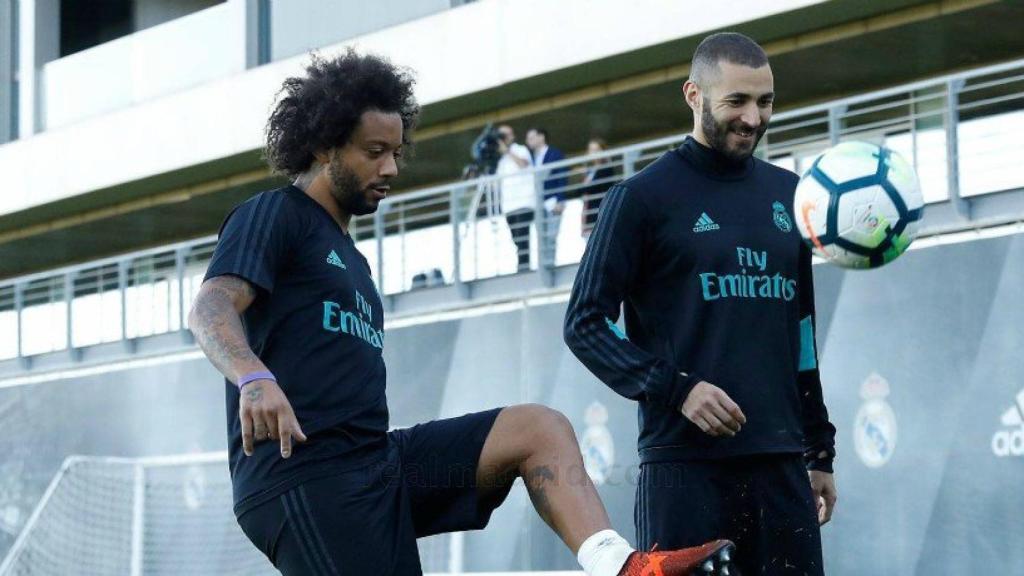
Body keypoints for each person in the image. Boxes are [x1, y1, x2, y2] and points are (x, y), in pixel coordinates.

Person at [188, 49, 735, 576]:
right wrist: (253, 377)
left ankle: (621, 565)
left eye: (397, 152)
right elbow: (210, 305)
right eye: (373, 151)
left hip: (378, 466)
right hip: (304, 476)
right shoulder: (275, 214)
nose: (391, 167)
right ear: (325, 146)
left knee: (536, 429)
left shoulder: (353, 261)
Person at [563, 32, 837, 575]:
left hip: (782, 469)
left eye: (765, 102)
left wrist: (819, 449)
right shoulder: (641, 198)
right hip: (684, 472)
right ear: (694, 95)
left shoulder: (792, 194)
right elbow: (585, 323)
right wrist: (676, 389)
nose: (754, 118)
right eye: (737, 101)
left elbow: (801, 333)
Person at [496, 125, 537, 272]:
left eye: (505, 135)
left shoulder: (520, 149)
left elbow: (523, 163)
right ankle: (522, 265)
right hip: (509, 206)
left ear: (511, 136)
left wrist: (507, 151)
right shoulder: (500, 159)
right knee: (516, 239)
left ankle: (523, 268)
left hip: (524, 202)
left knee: (522, 237)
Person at [526, 127, 569, 266]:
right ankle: (544, 265)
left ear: (541, 137)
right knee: (541, 237)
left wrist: (560, 199)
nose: (528, 142)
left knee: (551, 235)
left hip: (553, 201)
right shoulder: (531, 158)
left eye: (531, 138)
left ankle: (550, 265)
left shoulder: (555, 153)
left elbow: (562, 177)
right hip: (538, 203)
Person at [577, 137, 617, 237]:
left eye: (596, 150)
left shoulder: (606, 168)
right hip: (589, 214)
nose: (593, 153)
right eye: (591, 150)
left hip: (599, 213)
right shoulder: (591, 170)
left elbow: (591, 188)